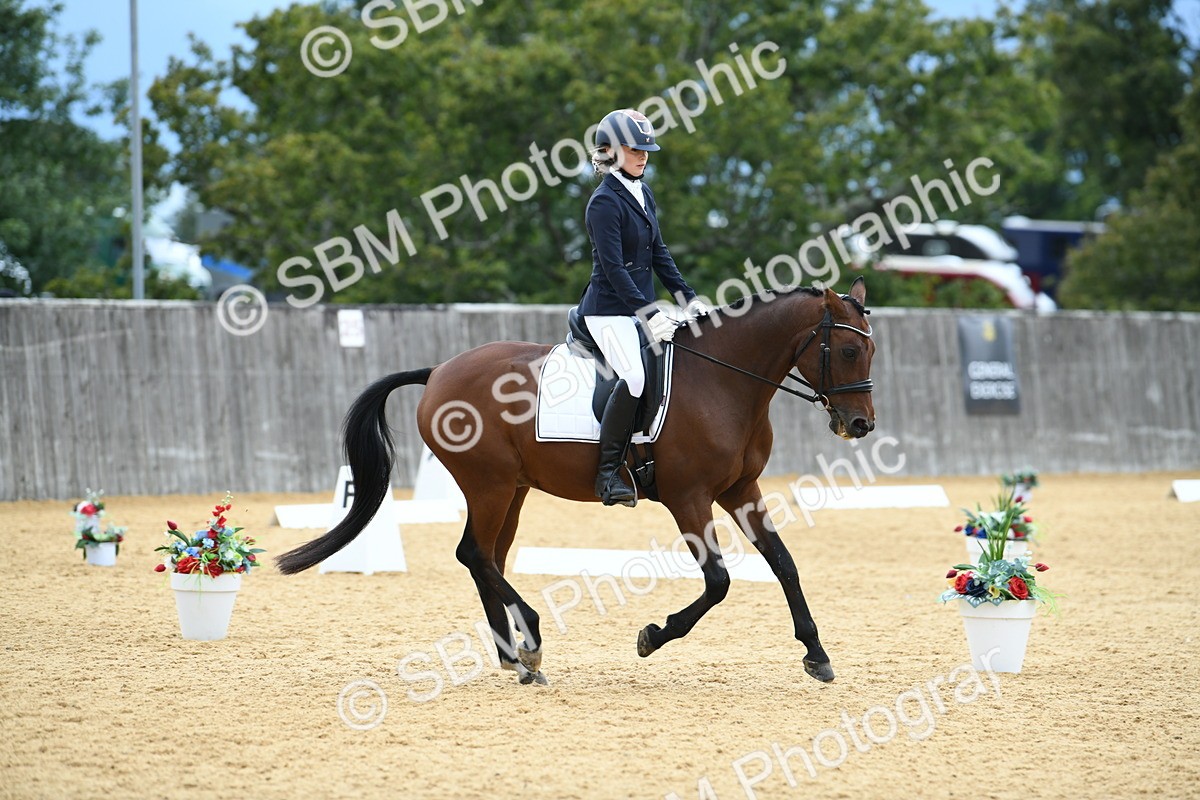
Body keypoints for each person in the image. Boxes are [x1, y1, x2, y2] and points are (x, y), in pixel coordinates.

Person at [577, 108, 711, 507]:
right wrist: (649, 313)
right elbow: (614, 269)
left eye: (646, 150)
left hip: (637, 307)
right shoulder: (603, 203)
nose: (643, 156)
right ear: (612, 151)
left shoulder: (643, 193)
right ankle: (607, 473)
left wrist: (687, 297)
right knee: (634, 377)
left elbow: (658, 253)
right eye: (635, 149)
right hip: (607, 311)